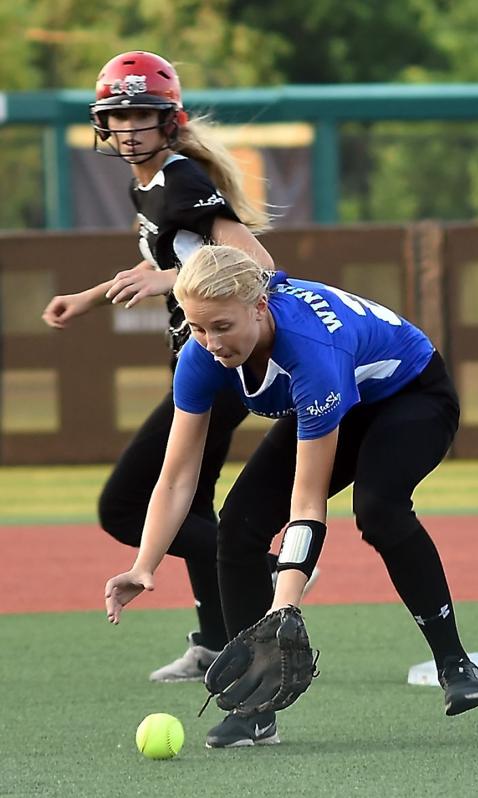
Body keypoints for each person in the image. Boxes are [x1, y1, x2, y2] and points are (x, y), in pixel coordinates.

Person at [102, 244, 478, 748]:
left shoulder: (310, 353)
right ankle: (253, 710)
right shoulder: (200, 357)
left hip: (410, 396)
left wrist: (284, 607)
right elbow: (177, 478)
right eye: (198, 327)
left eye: (222, 326)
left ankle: (456, 664)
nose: (210, 341)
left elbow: (307, 506)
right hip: (339, 402)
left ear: (259, 306)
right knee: (239, 523)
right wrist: (144, 564)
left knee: (379, 509)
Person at [41, 51, 289, 683]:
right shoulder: (145, 183)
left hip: (223, 365)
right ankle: (214, 640)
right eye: (115, 115)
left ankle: (254, 569)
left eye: (140, 115)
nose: (126, 128)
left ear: (168, 120)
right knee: (195, 504)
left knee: (124, 507)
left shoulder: (179, 181)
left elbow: (257, 266)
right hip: (196, 362)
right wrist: (91, 298)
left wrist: (166, 280)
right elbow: (155, 268)